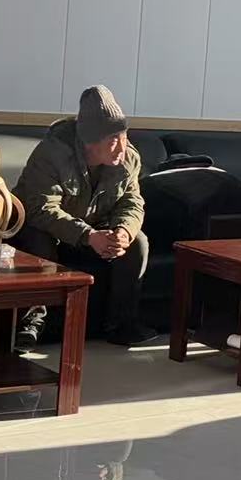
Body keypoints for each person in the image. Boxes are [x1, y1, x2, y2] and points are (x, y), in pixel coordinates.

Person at [10, 85, 151, 347]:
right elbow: (41, 209)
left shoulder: (129, 158)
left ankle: (121, 325)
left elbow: (132, 201)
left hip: (93, 228)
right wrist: (88, 236)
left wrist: (123, 231)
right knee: (38, 240)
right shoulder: (51, 154)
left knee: (137, 242)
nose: (122, 147)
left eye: (124, 135)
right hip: (47, 229)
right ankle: (31, 323)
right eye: (113, 140)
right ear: (89, 143)